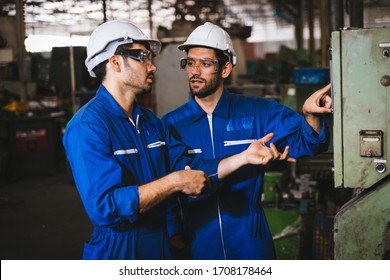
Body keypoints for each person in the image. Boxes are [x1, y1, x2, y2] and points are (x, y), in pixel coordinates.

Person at [62, 20, 292, 260]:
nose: (152, 67)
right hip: (119, 251)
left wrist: (243, 157)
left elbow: (190, 169)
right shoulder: (88, 126)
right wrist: (173, 183)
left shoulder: (150, 123)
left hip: (159, 247)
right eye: (142, 57)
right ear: (115, 62)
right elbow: (104, 207)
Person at [161, 22, 332, 260]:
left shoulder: (257, 112)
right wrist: (173, 232)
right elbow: (166, 184)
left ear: (225, 69)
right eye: (190, 62)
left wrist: (311, 116)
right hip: (197, 240)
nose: (195, 71)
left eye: (205, 63)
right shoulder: (171, 124)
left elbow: (309, 142)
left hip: (249, 239)